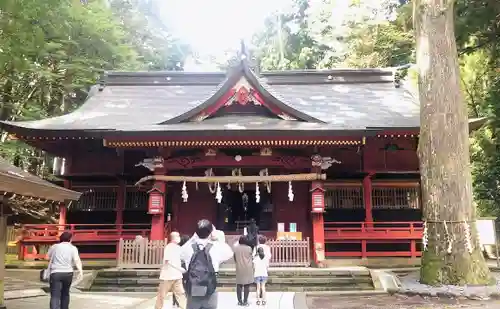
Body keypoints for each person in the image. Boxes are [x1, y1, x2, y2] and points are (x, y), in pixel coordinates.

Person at [181, 219, 233, 309]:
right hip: (210, 287)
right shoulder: (217, 247)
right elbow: (230, 253)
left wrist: (193, 238)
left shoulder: (188, 247)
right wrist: (217, 239)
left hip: (193, 287)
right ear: (210, 232)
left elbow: (180, 253)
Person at [47, 231, 83, 309]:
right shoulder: (73, 248)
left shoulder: (54, 247)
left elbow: (47, 257)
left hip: (56, 273)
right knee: (65, 293)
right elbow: (76, 260)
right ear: (70, 239)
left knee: (55, 295)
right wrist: (80, 271)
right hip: (68, 273)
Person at [156, 232, 186, 309]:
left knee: (181, 294)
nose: (179, 237)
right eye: (178, 236)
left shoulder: (179, 248)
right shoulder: (169, 247)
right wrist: (179, 268)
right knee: (161, 295)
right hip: (168, 275)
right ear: (174, 237)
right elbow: (167, 261)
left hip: (177, 276)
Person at [233, 235, 254, 306]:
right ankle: (245, 301)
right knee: (247, 285)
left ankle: (239, 301)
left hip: (239, 267)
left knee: (239, 285)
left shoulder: (236, 248)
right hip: (248, 268)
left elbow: (235, 258)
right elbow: (251, 257)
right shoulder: (249, 248)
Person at [173, 234, 191, 308]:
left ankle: (176, 302)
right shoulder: (189, 249)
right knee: (186, 286)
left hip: (177, 269)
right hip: (186, 268)